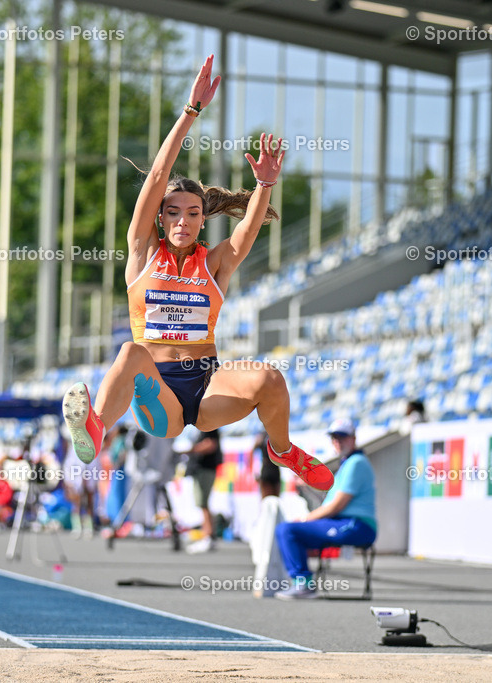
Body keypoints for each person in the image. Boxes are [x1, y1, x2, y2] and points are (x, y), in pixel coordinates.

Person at [61, 55, 332, 493]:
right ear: (161, 218)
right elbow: (156, 180)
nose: (182, 221)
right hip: (159, 399)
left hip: (207, 387)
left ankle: (282, 450)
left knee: (270, 379)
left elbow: (245, 235)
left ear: (203, 218)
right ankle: (97, 429)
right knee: (131, 352)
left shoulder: (215, 263)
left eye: (192, 213)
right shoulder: (142, 250)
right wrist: (191, 112)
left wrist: (264, 185)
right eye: (173, 213)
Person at [274, 418, 377, 599]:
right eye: (334, 437)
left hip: (356, 525)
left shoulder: (356, 463)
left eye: (342, 437)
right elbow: (331, 503)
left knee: (288, 530)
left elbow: (336, 506)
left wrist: (306, 520)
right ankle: (302, 582)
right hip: (347, 522)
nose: (337, 441)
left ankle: (303, 584)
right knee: (291, 531)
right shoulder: (349, 463)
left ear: (353, 438)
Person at [185, 428, 222, 554]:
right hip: (202, 468)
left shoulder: (209, 424)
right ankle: (208, 535)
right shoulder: (204, 425)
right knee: (203, 504)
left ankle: (208, 536)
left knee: (203, 503)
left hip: (205, 468)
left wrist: (190, 450)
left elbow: (210, 445)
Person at [252, 430, 281, 498]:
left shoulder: (277, 434)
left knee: (276, 499)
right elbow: (253, 452)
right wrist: (254, 471)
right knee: (266, 499)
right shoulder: (262, 436)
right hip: (266, 468)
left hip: (275, 468)